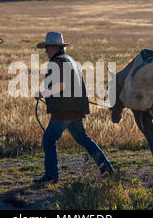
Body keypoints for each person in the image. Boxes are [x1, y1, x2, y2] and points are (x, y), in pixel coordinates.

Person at [33, 31, 113, 184]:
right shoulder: (70, 60)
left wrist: (42, 93)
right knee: (83, 139)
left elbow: (61, 85)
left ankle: (51, 176)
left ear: (53, 47)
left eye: (47, 47)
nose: (45, 51)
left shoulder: (58, 62)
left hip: (64, 110)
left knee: (49, 140)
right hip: (75, 109)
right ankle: (106, 168)